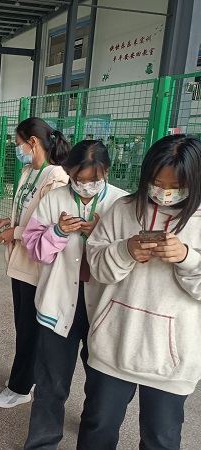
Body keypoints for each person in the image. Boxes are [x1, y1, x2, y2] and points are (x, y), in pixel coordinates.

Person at [77, 134, 201, 450]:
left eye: (176, 186)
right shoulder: (123, 209)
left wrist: (187, 258)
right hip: (113, 344)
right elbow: (98, 267)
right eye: (157, 183)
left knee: (161, 439)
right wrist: (125, 250)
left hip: (171, 360)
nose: (164, 193)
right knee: (97, 428)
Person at [20, 141, 127, 448]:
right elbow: (34, 249)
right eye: (79, 179)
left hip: (104, 308)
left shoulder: (122, 204)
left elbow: (129, 259)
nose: (85, 185)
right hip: (58, 304)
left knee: (102, 388)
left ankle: (93, 440)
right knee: (51, 383)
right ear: (69, 172)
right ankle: (42, 442)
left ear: (107, 172)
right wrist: (57, 232)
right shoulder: (54, 199)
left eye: (94, 179)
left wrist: (102, 238)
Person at [0, 117, 70, 408]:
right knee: (23, 324)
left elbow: (52, 227)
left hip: (37, 264)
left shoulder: (56, 178)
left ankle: (20, 388)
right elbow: (27, 212)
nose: (17, 149)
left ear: (33, 142)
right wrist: (8, 222)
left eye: (19, 143)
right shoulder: (29, 171)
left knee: (30, 328)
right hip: (20, 260)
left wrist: (16, 232)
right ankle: (23, 378)